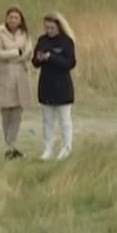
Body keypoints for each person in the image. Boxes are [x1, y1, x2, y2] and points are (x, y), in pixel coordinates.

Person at [0, 6, 35, 160]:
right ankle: (9, 145)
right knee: (6, 111)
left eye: (16, 17)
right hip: (5, 75)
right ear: (6, 18)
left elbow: (29, 52)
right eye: (10, 17)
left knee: (18, 111)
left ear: (21, 20)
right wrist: (17, 52)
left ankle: (12, 145)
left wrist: (13, 55)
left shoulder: (25, 33)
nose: (13, 20)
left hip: (21, 75)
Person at [32, 12, 77, 161]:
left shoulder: (66, 41)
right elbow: (34, 63)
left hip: (62, 85)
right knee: (47, 120)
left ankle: (66, 147)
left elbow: (70, 63)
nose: (49, 30)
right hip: (46, 84)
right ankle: (48, 149)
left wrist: (51, 57)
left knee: (64, 119)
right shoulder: (42, 40)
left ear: (59, 27)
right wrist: (39, 58)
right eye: (46, 27)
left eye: (52, 27)